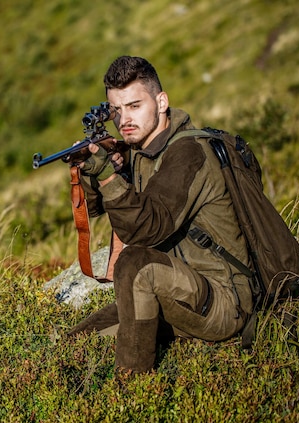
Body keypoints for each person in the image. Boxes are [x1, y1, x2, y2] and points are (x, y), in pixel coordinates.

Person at [67, 56, 254, 374]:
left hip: (224, 302)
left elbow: (145, 230)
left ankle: (133, 389)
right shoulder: (139, 151)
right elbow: (98, 208)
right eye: (117, 110)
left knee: (135, 263)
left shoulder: (188, 154)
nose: (125, 119)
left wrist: (109, 177)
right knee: (77, 342)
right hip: (180, 289)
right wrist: (91, 169)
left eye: (135, 105)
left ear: (162, 101)